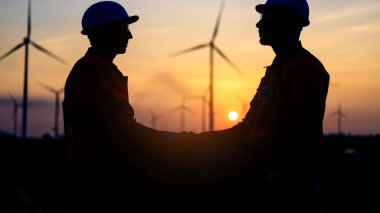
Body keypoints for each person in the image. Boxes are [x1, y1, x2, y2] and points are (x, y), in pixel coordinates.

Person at [185, 0, 330, 212]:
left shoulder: (304, 69)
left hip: (286, 191)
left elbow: (303, 138)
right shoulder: (275, 71)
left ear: (286, 21)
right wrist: (196, 140)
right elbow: (248, 130)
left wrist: (280, 177)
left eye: (265, 18)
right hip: (263, 181)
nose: (258, 25)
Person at [62, 1, 181, 212]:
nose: (130, 36)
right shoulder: (92, 71)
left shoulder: (101, 69)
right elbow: (120, 131)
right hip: (97, 180)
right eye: (125, 28)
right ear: (107, 31)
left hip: (100, 174)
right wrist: (170, 141)